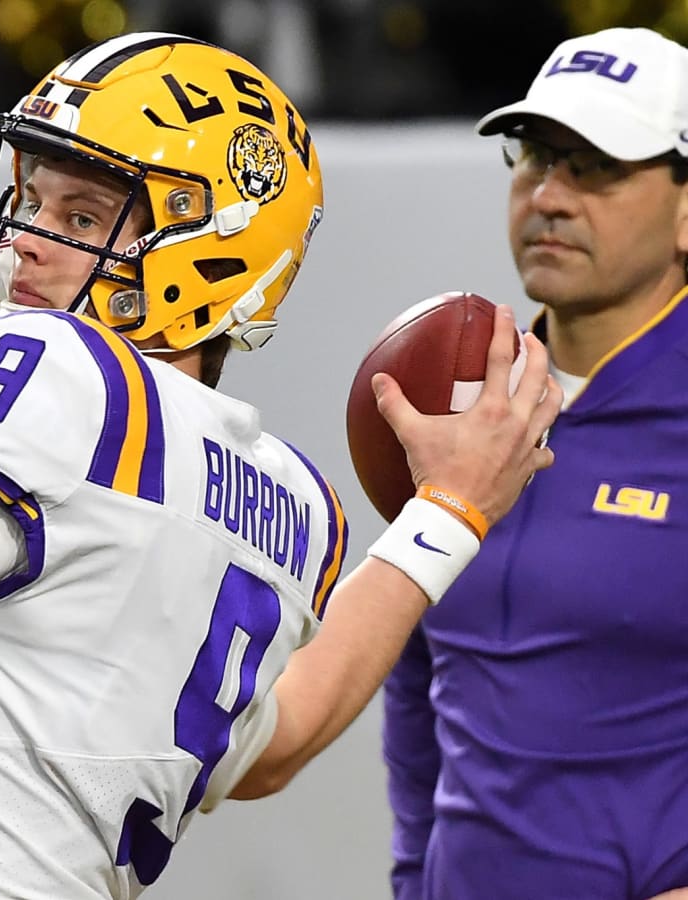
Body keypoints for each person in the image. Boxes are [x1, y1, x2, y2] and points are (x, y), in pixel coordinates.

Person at [0, 33, 558, 899]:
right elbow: (273, 745)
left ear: (214, 250)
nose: (27, 240)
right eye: (33, 202)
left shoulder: (67, 376)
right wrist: (445, 517)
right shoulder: (296, 501)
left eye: (82, 215)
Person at [382, 26, 688, 900]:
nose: (550, 195)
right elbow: (417, 688)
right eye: (537, 157)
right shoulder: (447, 397)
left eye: (595, 167)